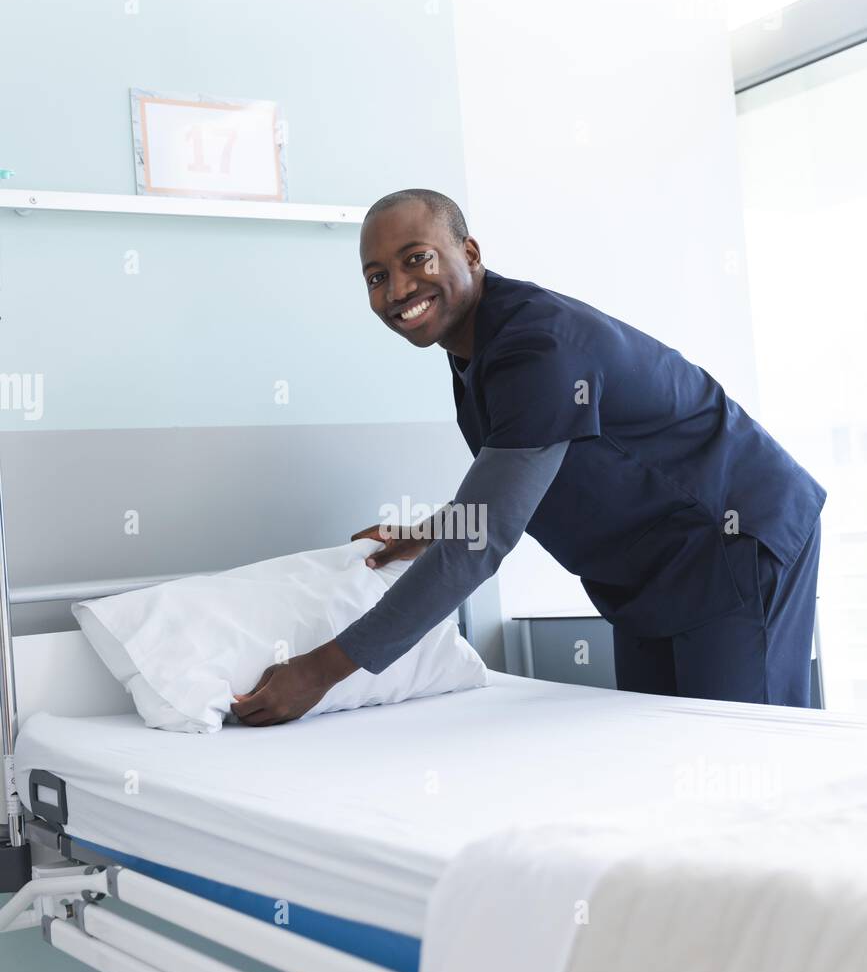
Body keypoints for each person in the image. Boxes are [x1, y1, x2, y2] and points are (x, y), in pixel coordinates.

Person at [231, 188, 824, 727]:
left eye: (417, 259)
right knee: (665, 752)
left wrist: (319, 671)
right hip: (654, 576)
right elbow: (509, 486)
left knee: (747, 757)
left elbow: (482, 541)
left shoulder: (540, 346)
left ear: (470, 251)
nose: (398, 289)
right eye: (376, 276)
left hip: (737, 540)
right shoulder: (472, 350)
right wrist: (431, 530)